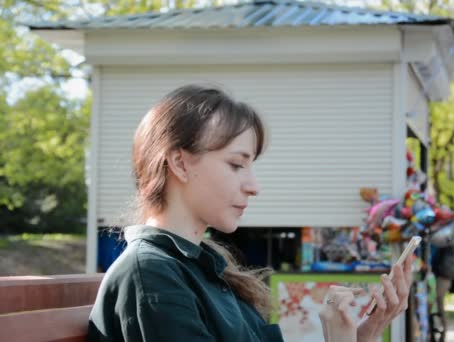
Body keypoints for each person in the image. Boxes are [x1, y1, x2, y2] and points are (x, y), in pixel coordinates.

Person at [87, 85, 413, 342]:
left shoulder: (200, 269)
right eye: (236, 164)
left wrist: (365, 332)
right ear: (180, 163)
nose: (254, 186)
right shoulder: (153, 276)